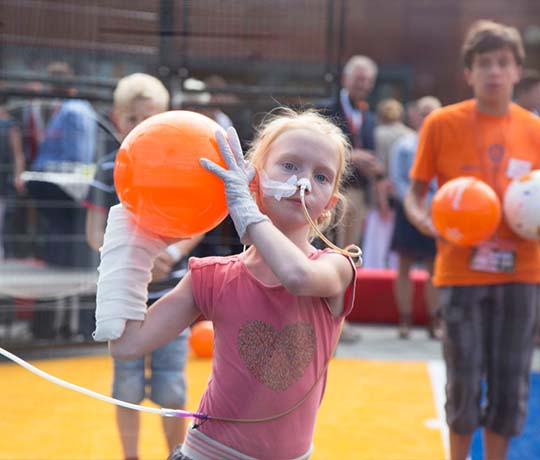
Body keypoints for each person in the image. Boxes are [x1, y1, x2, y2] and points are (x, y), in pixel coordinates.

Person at [93, 109, 357, 460]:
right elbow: (126, 344)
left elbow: (297, 278)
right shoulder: (211, 275)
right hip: (206, 452)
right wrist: (132, 251)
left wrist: (247, 213)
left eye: (322, 176)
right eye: (290, 166)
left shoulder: (337, 266)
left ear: (329, 207)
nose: (303, 182)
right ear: (251, 179)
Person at [404, 20, 540, 460]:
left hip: (522, 272)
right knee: (462, 378)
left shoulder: (535, 130)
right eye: (484, 64)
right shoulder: (442, 124)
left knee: (510, 380)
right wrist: (425, 221)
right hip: (460, 271)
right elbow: (415, 193)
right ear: (468, 73)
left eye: (503, 63)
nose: (494, 72)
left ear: (518, 70)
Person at [83, 73, 202, 460]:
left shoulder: (179, 165)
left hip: (173, 295)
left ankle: (175, 453)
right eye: (131, 119)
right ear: (118, 119)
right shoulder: (107, 168)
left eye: (148, 118)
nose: (138, 126)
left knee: (172, 387)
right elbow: (94, 232)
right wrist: (130, 261)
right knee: (127, 386)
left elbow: (198, 222)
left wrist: (169, 254)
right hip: (127, 297)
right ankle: (130, 456)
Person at [320, 55, 381, 343]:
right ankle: (327, 318)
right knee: (331, 253)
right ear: (346, 79)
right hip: (335, 193)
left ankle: (340, 318)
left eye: (368, 80)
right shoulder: (327, 109)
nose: (364, 85)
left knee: (349, 257)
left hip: (359, 194)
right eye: (359, 79)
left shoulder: (368, 115)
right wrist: (351, 156)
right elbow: (319, 145)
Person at [388, 96, 442, 339]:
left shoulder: (446, 145)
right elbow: (397, 179)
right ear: (415, 115)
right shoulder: (404, 145)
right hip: (407, 211)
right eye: (423, 112)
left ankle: (434, 320)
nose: (427, 117)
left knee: (435, 268)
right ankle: (405, 319)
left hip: (437, 213)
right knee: (404, 266)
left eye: (433, 112)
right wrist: (413, 205)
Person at [362, 98, 413, 269]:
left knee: (376, 243)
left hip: (381, 194)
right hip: (403, 196)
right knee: (398, 245)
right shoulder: (409, 134)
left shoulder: (377, 133)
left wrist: (380, 199)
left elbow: (379, 171)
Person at [0, 94, 25, 260]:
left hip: (5, 175)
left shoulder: (11, 125)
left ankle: (4, 251)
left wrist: (18, 176)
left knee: (5, 214)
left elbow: (18, 154)